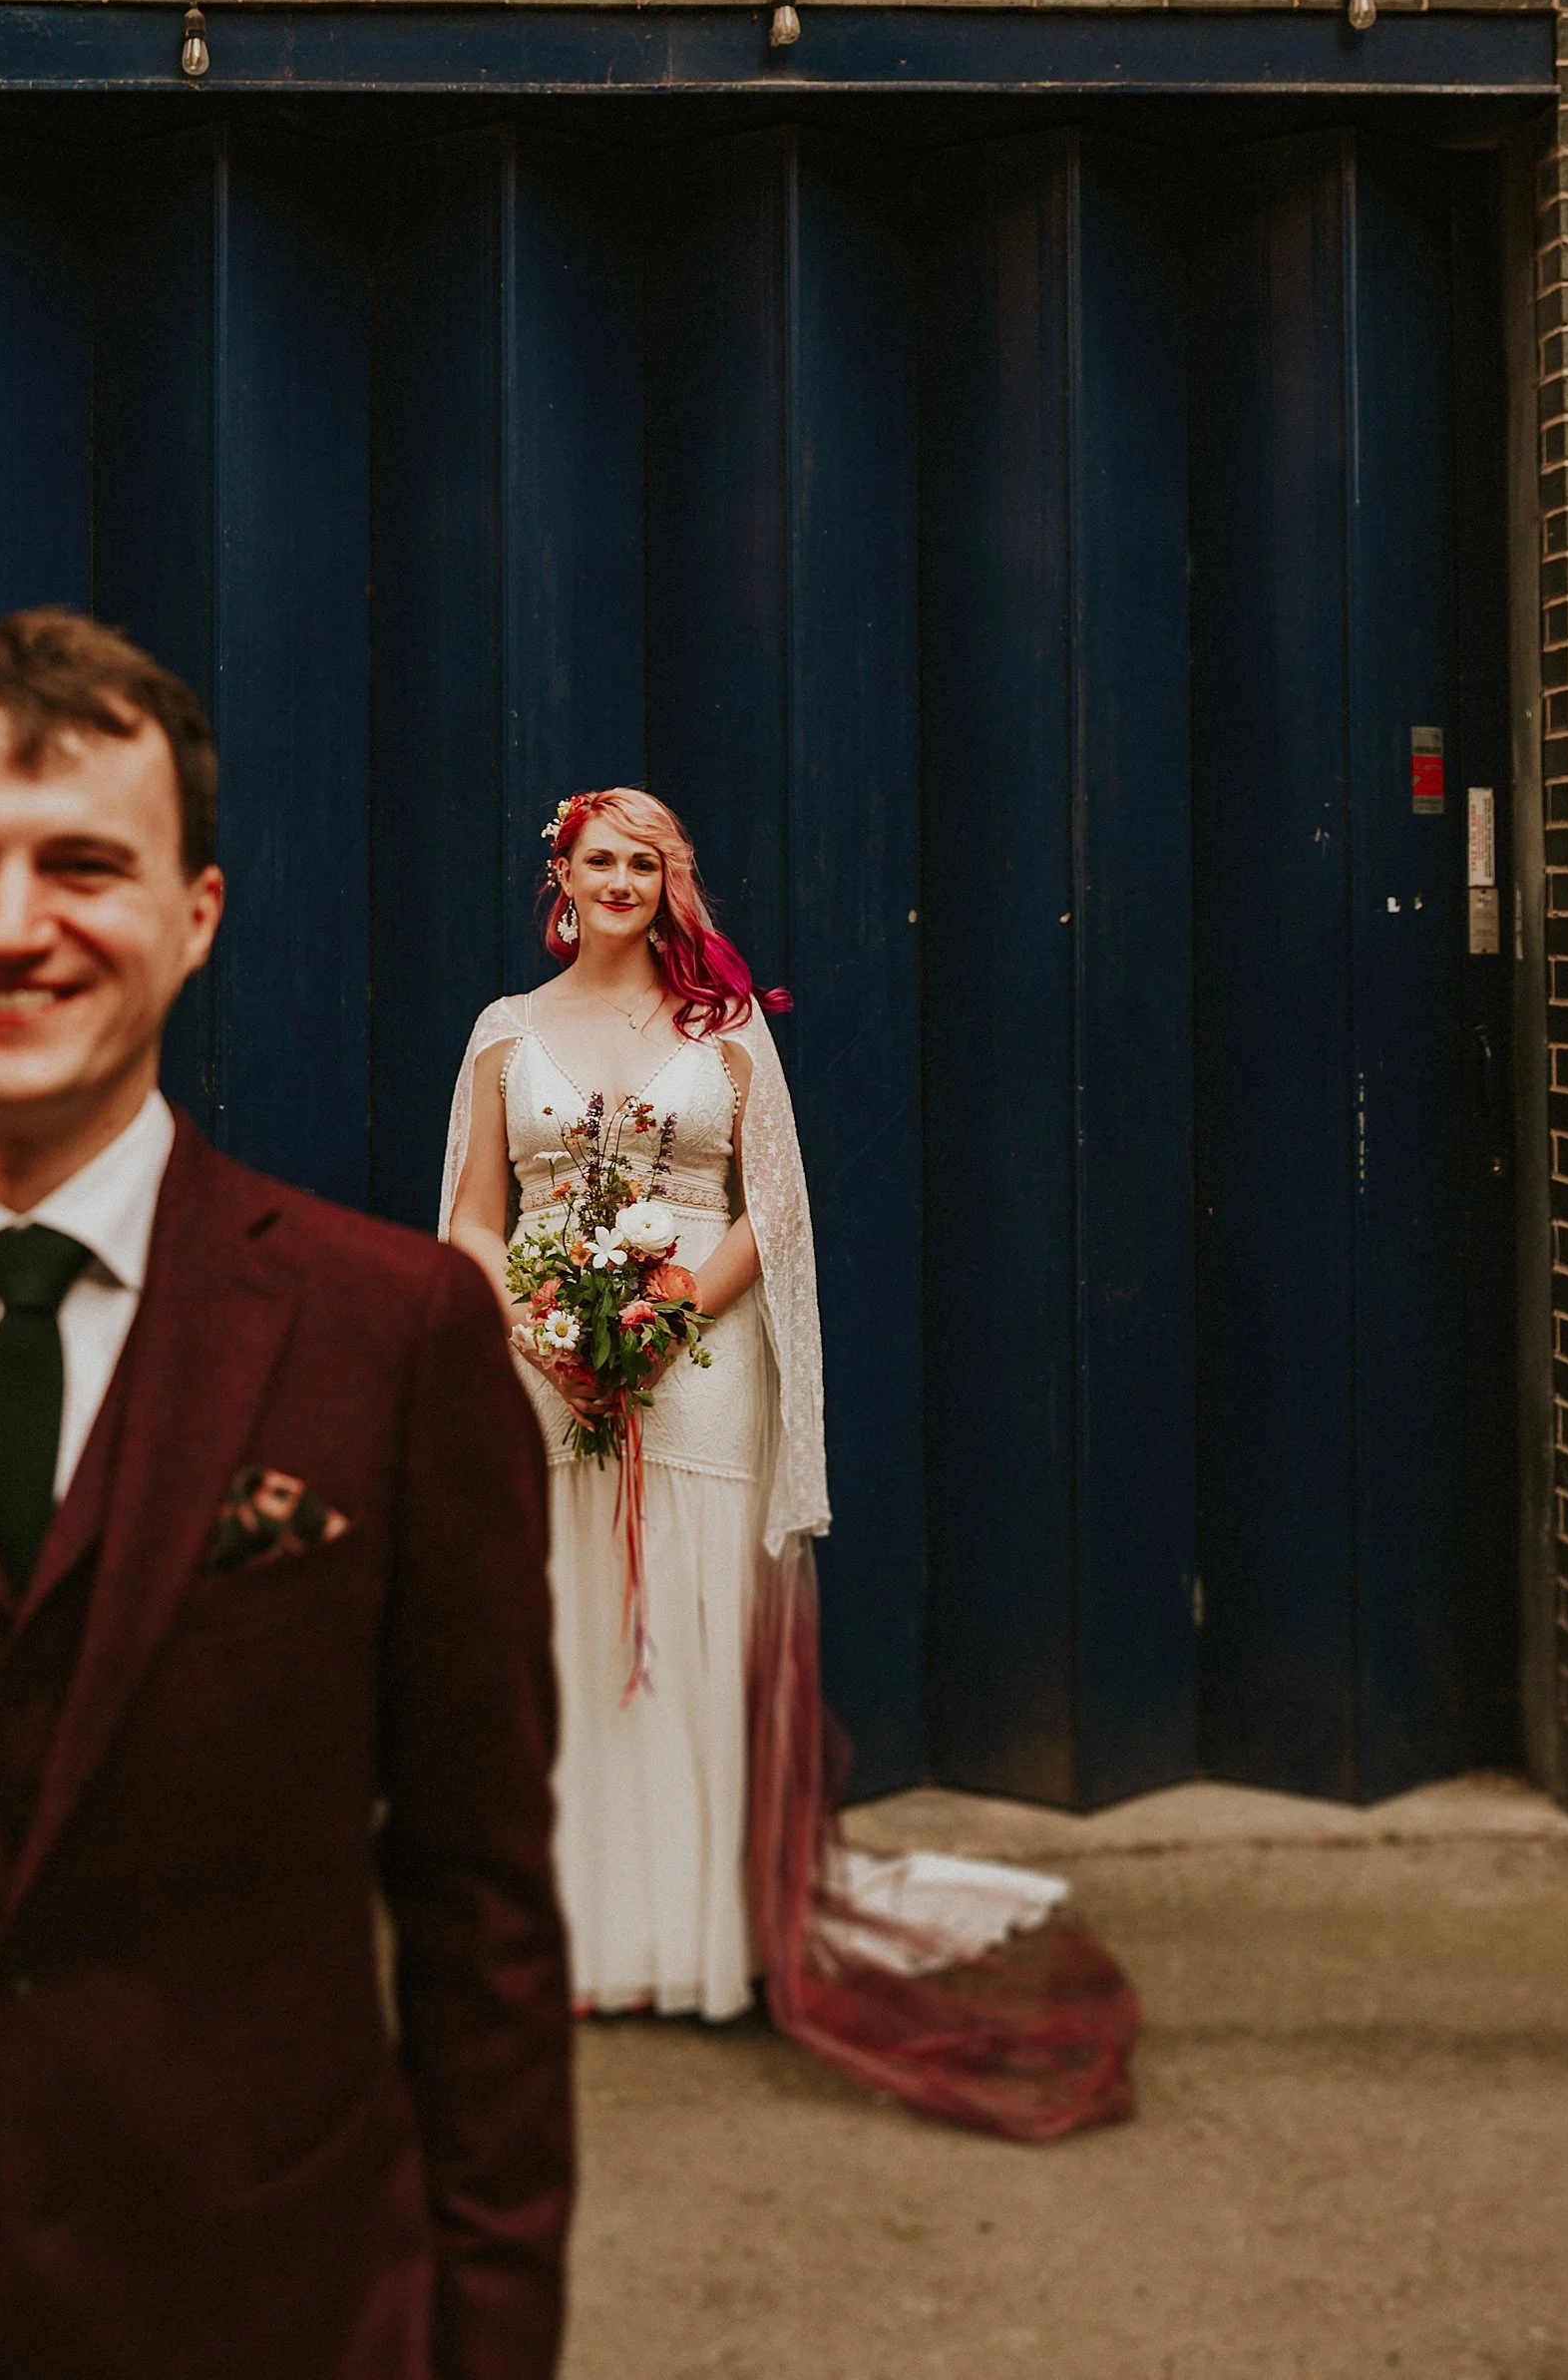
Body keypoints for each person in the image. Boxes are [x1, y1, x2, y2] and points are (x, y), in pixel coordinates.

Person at [0, 609, 572, 2380]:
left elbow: (481, 1918)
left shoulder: (394, 1338)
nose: (10, 926)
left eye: (83, 864)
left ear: (197, 917)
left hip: (273, 2307)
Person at [443, 788, 1138, 2137]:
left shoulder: (724, 1027)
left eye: (648, 862)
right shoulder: (502, 1034)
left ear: (672, 881)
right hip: (546, 1364)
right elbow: (474, 1214)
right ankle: (587, 1926)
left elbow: (777, 1212)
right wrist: (537, 1325)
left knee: (696, 1623)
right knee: (570, 1625)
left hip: (698, 1362)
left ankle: (709, 1923)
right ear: (561, 877)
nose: (623, 880)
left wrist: (666, 1312)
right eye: (602, 859)